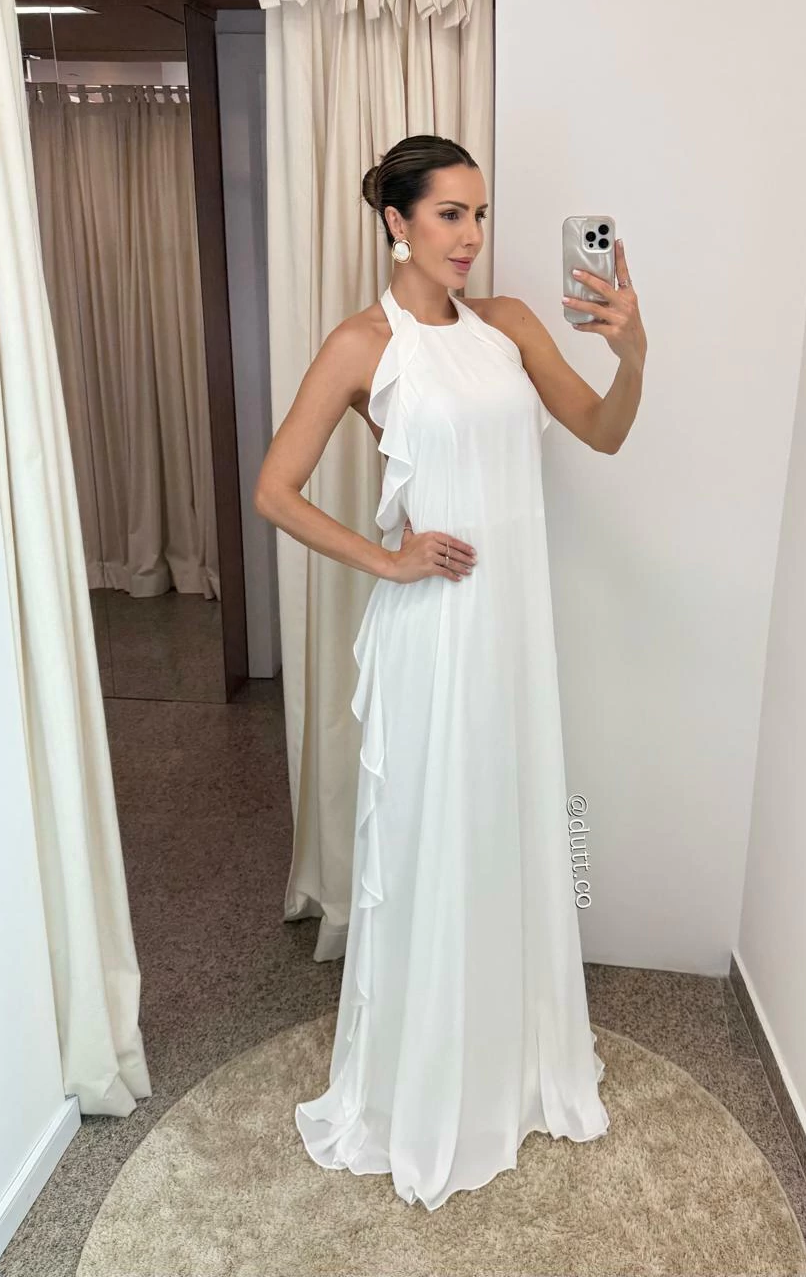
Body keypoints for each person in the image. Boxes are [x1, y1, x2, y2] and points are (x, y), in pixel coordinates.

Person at [254, 134, 647, 1210]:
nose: (471, 236)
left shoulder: (510, 325)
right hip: (433, 630)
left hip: (513, 624)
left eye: (479, 214)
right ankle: (426, 1075)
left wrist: (633, 352)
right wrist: (389, 557)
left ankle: (513, 1055)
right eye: (448, 214)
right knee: (436, 832)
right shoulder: (362, 343)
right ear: (397, 221)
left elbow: (602, 432)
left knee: (514, 821)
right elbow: (276, 489)